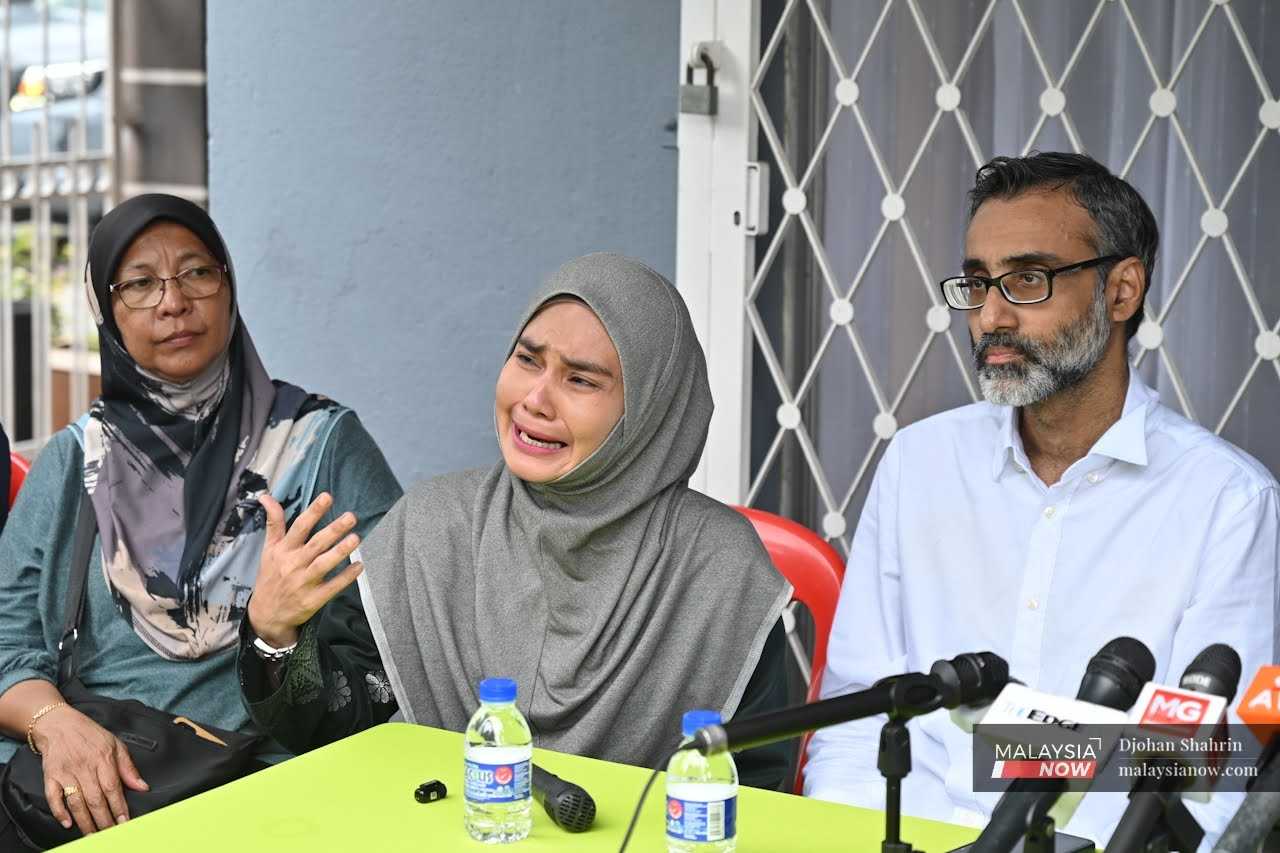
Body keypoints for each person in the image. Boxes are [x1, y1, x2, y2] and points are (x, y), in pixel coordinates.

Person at [803, 153, 1279, 846]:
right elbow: (855, 718)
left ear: (1121, 291)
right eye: (975, 283)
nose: (990, 315)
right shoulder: (919, 463)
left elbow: (1210, 771)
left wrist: (1016, 760)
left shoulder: (1228, 503)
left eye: (1027, 279)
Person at [239, 252, 795, 788]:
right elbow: (343, 724)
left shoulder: (719, 571)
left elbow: (757, 794)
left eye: (581, 380)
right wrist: (275, 634)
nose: (535, 399)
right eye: (527, 360)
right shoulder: (435, 530)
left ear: (650, 412)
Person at [0, 194, 401, 841]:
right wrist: (56, 724)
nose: (173, 301)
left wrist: (279, 636)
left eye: (196, 272)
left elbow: (398, 644)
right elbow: (4, 636)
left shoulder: (320, 447)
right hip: (93, 798)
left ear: (228, 286)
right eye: (139, 284)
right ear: (109, 313)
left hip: (274, 789)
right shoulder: (76, 459)